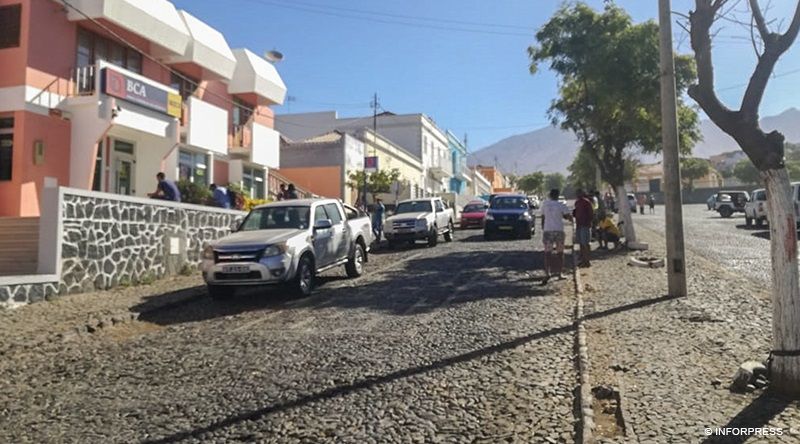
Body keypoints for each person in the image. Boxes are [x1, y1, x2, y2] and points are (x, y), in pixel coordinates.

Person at [540, 188, 573, 284]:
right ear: (558, 196)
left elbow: (543, 217)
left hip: (548, 231)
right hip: (558, 231)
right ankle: (559, 273)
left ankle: (547, 273)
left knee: (547, 253)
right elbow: (568, 217)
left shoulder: (545, 205)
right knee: (560, 253)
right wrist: (570, 218)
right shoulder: (561, 205)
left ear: (550, 195)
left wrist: (544, 228)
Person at [573, 189, 594, 268]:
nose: (578, 194)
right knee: (581, 243)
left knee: (586, 244)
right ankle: (583, 260)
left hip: (585, 225)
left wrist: (588, 222)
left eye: (579, 193)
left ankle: (587, 261)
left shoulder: (586, 202)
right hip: (579, 225)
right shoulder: (577, 202)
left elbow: (591, 213)